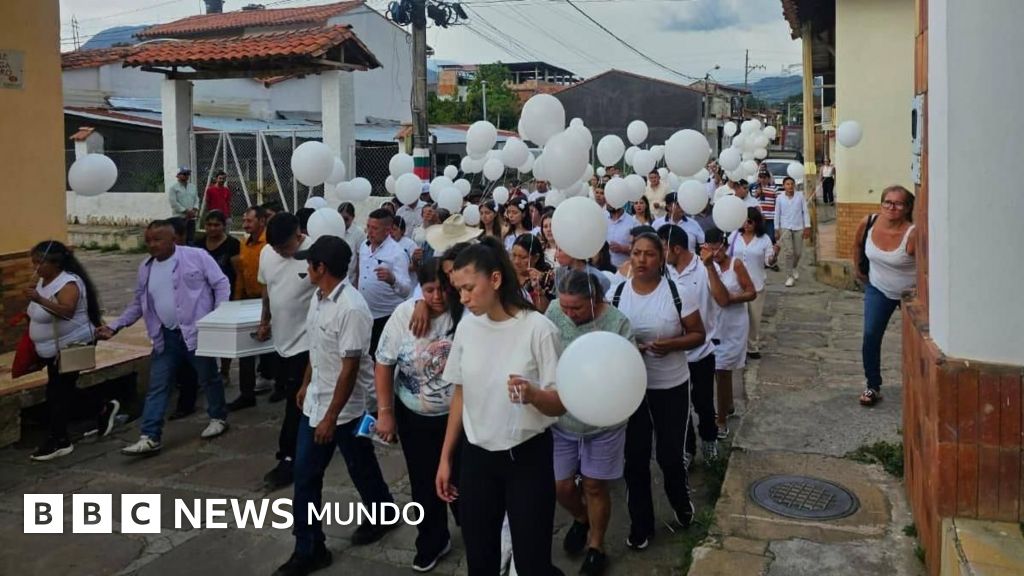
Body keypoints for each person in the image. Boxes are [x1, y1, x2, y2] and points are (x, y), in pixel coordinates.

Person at [436, 236, 565, 576]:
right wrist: (447, 457)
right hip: (477, 457)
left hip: (526, 457)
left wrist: (534, 394)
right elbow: (460, 394)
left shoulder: (538, 329)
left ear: (495, 279)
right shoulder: (467, 327)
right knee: (479, 555)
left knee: (531, 558)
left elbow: (560, 403)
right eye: (458, 290)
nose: (463, 298)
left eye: (468, 288)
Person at [273, 236, 396, 576]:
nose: (305, 268)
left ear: (321, 268)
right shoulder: (319, 297)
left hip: (347, 408)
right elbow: (317, 345)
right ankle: (310, 547)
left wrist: (330, 417)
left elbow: (349, 368)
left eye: (308, 263)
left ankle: (381, 513)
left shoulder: (352, 308)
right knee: (306, 474)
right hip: (317, 401)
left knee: (358, 464)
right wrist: (306, 383)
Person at [607, 231, 705, 550]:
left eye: (649, 254)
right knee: (634, 459)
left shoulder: (678, 292)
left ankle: (680, 503)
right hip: (631, 389)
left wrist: (671, 345)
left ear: (661, 258)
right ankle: (641, 525)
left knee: (669, 455)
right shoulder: (617, 293)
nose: (641, 260)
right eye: (636, 253)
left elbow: (698, 334)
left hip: (670, 386)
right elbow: (607, 336)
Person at [98, 220, 230, 455]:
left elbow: (220, 283)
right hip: (165, 336)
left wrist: (218, 315)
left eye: (158, 239)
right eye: (148, 240)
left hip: (196, 332)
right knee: (158, 385)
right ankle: (150, 436)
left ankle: (218, 417)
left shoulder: (196, 257)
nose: (152, 245)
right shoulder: (146, 267)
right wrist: (116, 325)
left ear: (173, 239)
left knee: (208, 376)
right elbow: (139, 302)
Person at [375, 258, 463, 572]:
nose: (437, 296)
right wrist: (385, 412)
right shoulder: (404, 315)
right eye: (429, 290)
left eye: (443, 288)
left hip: (460, 417)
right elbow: (384, 363)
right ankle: (432, 539)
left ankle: (469, 523)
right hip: (415, 418)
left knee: (462, 478)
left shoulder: (464, 312)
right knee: (423, 483)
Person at [546, 270, 633, 575]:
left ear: (595, 301)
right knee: (560, 484)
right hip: (563, 418)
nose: (569, 314)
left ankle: (597, 545)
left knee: (595, 484)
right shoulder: (554, 311)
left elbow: (628, 373)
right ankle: (582, 518)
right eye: (565, 307)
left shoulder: (618, 323)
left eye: (577, 309)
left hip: (603, 422)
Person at [26, 241, 115, 461]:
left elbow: (67, 311)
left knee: (57, 392)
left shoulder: (68, 283)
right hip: (51, 348)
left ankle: (60, 440)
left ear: (55, 263)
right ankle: (102, 408)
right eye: (34, 263)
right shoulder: (43, 280)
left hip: (70, 345)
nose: (35, 268)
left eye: (39, 263)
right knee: (62, 390)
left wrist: (38, 299)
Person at [257, 212, 316, 488]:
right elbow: (268, 289)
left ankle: (289, 458)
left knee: (296, 402)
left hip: (307, 343)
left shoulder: (315, 252)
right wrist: (264, 319)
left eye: (285, 247)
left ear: (298, 235)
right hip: (281, 341)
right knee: (291, 397)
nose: (281, 252)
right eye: (276, 248)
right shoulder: (268, 254)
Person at [658, 225, 722, 464]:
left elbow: (722, 298)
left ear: (676, 248)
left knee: (704, 404)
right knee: (678, 408)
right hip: (675, 352)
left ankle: (710, 442)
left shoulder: (704, 267)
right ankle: (688, 449)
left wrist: (709, 267)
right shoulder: (664, 272)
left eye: (662, 248)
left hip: (702, 350)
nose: (659, 253)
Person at [853, 186, 916, 406]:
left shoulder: (913, 233)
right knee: (870, 336)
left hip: (910, 294)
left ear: (907, 208)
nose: (892, 207)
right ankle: (872, 386)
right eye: (887, 202)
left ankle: (917, 386)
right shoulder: (869, 222)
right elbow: (858, 244)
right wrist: (859, 269)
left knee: (917, 341)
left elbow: (927, 266)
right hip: (878, 288)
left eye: (898, 203)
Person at [701, 228, 756, 438]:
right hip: (713, 324)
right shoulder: (704, 267)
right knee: (718, 370)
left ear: (724, 246)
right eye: (711, 249)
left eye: (719, 248)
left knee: (723, 370)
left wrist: (732, 298)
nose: (715, 253)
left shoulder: (736, 265)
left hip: (733, 325)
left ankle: (721, 419)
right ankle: (729, 403)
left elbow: (751, 291)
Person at [229, 206, 275, 411]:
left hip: (269, 301)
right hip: (248, 300)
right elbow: (241, 274)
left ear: (262, 222)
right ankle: (246, 393)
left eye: (249, 221)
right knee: (245, 347)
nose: (245, 224)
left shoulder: (271, 245)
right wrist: (237, 298)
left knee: (273, 346)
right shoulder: (243, 244)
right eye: (244, 221)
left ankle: (279, 385)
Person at [355, 209, 413, 359]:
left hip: (385, 317)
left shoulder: (397, 253)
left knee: (381, 358)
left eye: (375, 228)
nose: (370, 232)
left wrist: (392, 280)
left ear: (387, 230)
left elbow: (406, 289)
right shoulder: (363, 247)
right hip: (364, 314)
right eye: (368, 227)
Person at [193, 209, 240, 382]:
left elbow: (237, 272)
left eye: (216, 225)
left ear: (223, 226)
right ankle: (206, 372)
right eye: (209, 225)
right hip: (202, 298)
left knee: (224, 336)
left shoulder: (232, 244)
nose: (212, 228)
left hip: (225, 297)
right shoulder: (198, 244)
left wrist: (235, 296)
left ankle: (225, 371)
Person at [730, 208, 779, 359]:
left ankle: (752, 345)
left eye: (750, 221)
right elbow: (727, 255)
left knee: (754, 317)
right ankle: (739, 346)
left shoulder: (764, 239)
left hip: (756, 282)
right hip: (736, 284)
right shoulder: (734, 236)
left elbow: (768, 261)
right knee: (738, 318)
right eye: (744, 221)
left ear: (756, 223)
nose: (746, 224)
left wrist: (774, 255)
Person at [774, 176, 811, 287]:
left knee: (798, 253)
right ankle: (789, 276)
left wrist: (807, 226)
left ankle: (794, 267)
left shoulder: (800, 196)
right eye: (787, 184)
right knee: (789, 252)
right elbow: (777, 214)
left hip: (798, 227)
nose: (790, 186)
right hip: (785, 228)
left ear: (794, 185)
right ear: (784, 186)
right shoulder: (780, 198)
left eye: (791, 184)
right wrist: (776, 228)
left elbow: (805, 212)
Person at [511, 234, 555, 313]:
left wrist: (538, 290)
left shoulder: (546, 278)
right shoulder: (507, 274)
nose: (516, 261)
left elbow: (545, 312)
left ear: (536, 257)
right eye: (514, 255)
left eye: (523, 257)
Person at [167, 167, 198, 243]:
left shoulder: (193, 187)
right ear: (178, 175)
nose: (186, 175)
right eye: (184, 174)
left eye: (188, 174)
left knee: (190, 239)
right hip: (180, 218)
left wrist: (194, 209)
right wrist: (186, 211)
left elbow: (196, 199)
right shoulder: (173, 188)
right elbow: (173, 203)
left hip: (191, 218)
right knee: (180, 239)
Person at [605, 201, 638, 269]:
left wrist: (622, 249)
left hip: (625, 270)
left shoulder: (633, 223)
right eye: (608, 199)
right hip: (605, 270)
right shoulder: (602, 219)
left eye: (612, 199)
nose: (609, 202)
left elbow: (639, 249)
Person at [754, 168, 778, 240]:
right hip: (759, 217)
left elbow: (778, 201)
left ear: (768, 178)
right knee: (759, 236)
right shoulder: (755, 188)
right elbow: (753, 201)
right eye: (760, 177)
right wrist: (756, 194)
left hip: (770, 217)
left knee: (770, 237)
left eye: (764, 177)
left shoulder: (774, 188)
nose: (762, 180)